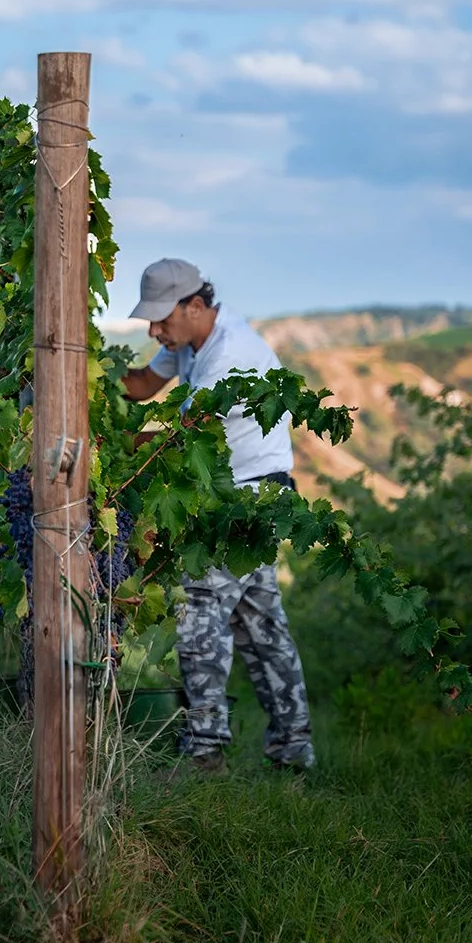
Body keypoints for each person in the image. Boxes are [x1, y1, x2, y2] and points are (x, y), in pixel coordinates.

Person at [122, 258, 314, 772]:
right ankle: (294, 752)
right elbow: (140, 384)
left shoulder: (229, 358)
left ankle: (205, 751)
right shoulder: (188, 343)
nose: (154, 330)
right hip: (254, 498)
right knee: (261, 627)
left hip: (247, 502)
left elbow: (181, 446)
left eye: (162, 319)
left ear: (197, 306)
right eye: (150, 320)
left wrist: (111, 443)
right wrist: (82, 377)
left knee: (200, 610)